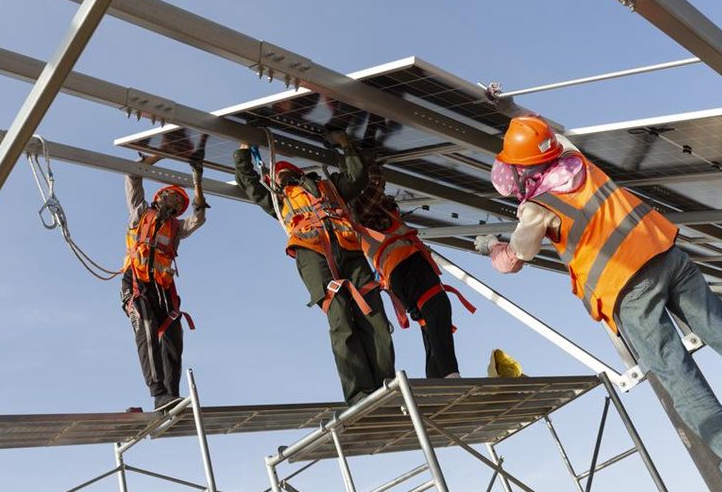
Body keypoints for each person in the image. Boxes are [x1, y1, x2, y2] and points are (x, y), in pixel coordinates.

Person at [475, 115, 722, 492]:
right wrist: (512, 115)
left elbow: (512, 260)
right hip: (664, 253)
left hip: (627, 288)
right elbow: (550, 136)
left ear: (522, 173)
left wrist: (490, 246)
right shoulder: (579, 162)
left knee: (679, 376)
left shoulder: (536, 208)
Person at [233, 136, 395, 405]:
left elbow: (356, 177)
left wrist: (345, 145)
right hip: (314, 255)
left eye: (283, 172)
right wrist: (242, 152)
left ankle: (385, 385)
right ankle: (360, 393)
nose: (279, 178)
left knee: (373, 315)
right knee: (340, 318)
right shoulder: (278, 201)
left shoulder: (327, 186)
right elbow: (248, 183)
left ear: (296, 173)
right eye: (277, 176)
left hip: (348, 249)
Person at [342, 137, 473, 379]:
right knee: (436, 308)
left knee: (430, 321)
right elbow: (376, 183)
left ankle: (438, 380)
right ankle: (450, 377)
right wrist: (368, 159)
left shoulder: (365, 212)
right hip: (404, 264)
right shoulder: (364, 208)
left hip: (400, 271)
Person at [121, 154, 208, 412]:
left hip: (163, 288)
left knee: (173, 336)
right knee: (146, 326)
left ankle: (171, 395)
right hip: (137, 282)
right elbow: (133, 177)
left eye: (178, 200)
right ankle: (158, 393)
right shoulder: (140, 213)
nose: (174, 200)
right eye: (170, 195)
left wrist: (197, 180)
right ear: (159, 198)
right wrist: (157, 155)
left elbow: (199, 218)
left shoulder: (176, 227)